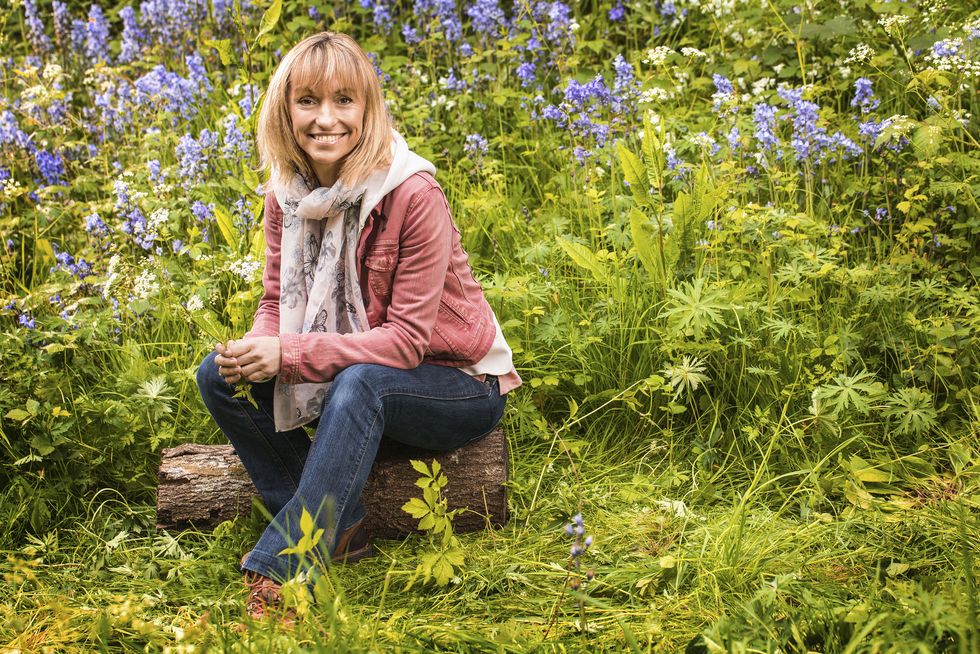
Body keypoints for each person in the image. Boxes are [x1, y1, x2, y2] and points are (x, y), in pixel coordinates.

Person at [195, 32, 521, 623]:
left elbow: (406, 342)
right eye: (308, 101)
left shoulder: (412, 193)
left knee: (361, 383)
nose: (326, 119)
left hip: (454, 387)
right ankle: (341, 529)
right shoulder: (287, 191)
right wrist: (257, 346)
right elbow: (275, 298)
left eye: (345, 101)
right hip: (356, 380)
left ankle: (285, 566)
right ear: (284, 109)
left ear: (367, 109)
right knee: (218, 376)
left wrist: (290, 356)